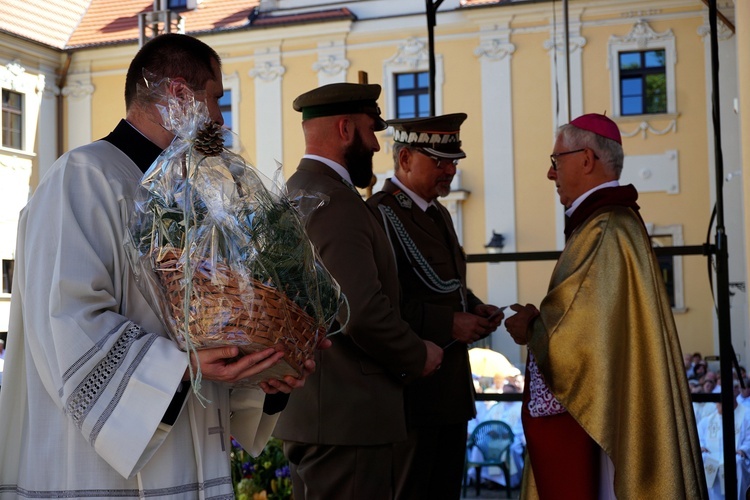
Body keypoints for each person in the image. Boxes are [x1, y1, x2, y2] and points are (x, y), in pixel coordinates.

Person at [0, 33, 320, 498]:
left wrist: (261, 372)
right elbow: (66, 325)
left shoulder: (193, 200)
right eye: (216, 98)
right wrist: (184, 367)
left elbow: (207, 339)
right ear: (178, 95)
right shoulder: (85, 177)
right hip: (100, 475)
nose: (220, 118)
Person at [504, 113, 706, 499]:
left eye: (555, 161)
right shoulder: (609, 222)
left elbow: (577, 332)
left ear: (586, 159)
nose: (551, 174)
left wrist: (533, 328)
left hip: (603, 427)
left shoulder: (605, 227)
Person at [273, 83, 444, 499]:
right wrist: (418, 354)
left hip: (325, 414)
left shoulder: (298, 190)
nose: (376, 145)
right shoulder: (334, 201)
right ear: (346, 129)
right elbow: (358, 309)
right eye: (372, 131)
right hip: (346, 417)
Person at [366, 113, 504, 499]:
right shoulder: (380, 214)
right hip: (412, 393)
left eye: (453, 162)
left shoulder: (438, 212)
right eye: (439, 162)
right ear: (405, 158)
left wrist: (474, 308)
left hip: (448, 392)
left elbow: (447, 285)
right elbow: (377, 304)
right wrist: (449, 324)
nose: (450, 171)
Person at [698, 381, 750, 499]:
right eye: (717, 403)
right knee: (704, 459)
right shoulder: (709, 420)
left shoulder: (747, 415)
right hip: (712, 455)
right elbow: (699, 436)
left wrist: (743, 449)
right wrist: (701, 446)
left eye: (720, 403)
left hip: (735, 455)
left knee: (737, 462)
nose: (718, 406)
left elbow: (748, 439)